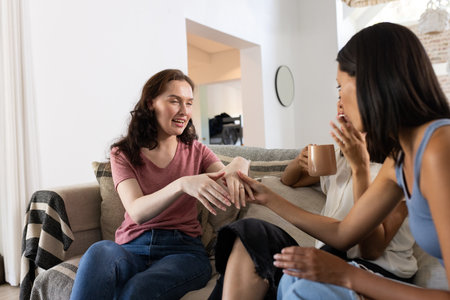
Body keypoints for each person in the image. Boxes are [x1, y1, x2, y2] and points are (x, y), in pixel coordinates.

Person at [240, 22, 450, 299]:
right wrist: (267, 197)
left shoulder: (439, 148)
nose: (339, 101)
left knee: (305, 287)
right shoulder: (399, 157)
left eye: (341, 86)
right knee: (295, 281)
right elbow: (344, 233)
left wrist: (347, 275)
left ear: (370, 83)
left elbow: (369, 250)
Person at [208, 95, 416, 300]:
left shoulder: (399, 167)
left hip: (376, 273)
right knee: (252, 232)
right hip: (327, 256)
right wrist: (299, 163)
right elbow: (291, 181)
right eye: (338, 94)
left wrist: (359, 168)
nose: (340, 103)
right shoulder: (337, 157)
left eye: (349, 93)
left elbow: (371, 249)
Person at [69, 69, 251, 300]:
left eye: (189, 103)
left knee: (136, 290)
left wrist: (239, 161)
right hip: (131, 248)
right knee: (98, 251)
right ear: (150, 103)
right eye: (174, 101)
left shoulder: (197, 151)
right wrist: (181, 184)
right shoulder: (123, 153)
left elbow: (230, 178)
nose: (184, 111)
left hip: (183, 253)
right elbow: (136, 211)